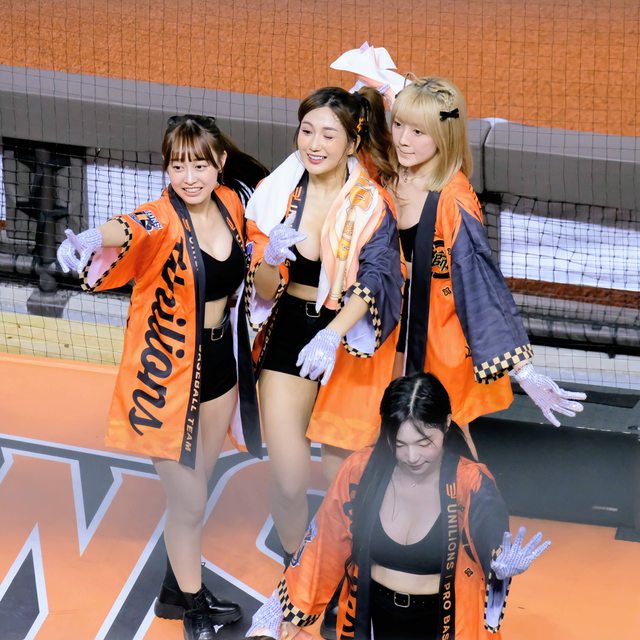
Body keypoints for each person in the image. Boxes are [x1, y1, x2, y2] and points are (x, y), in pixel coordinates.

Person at [56, 114, 268, 640]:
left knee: (197, 487)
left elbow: (260, 250)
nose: (189, 177)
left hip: (220, 369)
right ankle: (192, 605)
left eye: (200, 165)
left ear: (220, 163)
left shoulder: (233, 204)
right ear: (166, 168)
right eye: (178, 166)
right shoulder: (161, 216)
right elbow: (129, 227)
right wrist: (91, 236)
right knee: (188, 501)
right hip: (167, 379)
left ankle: (175, 590)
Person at [246, 372, 551, 640]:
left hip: (443, 624)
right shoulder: (360, 471)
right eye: (400, 444)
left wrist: (498, 565)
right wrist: (275, 610)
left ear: (446, 424)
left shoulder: (470, 482)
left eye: (424, 443)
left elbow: (490, 536)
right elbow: (323, 543)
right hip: (372, 619)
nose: (412, 457)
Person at [243, 85, 404, 563]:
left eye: (328, 135)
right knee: (289, 478)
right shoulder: (275, 197)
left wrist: (332, 335)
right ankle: (298, 569)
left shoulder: (372, 203)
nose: (314, 145)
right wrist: (270, 258)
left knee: (344, 480)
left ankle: (342, 570)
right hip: (288, 332)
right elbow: (264, 290)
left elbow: (377, 276)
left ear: (353, 143)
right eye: (307, 131)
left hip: (347, 339)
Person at [387, 76, 586, 456]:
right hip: (389, 328)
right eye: (398, 125)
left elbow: (479, 285)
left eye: (418, 131)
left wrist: (523, 371)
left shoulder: (454, 201)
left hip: (434, 334)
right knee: (389, 431)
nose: (403, 140)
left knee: (440, 435)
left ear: (443, 136)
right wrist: (383, 84)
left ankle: (470, 495)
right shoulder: (391, 169)